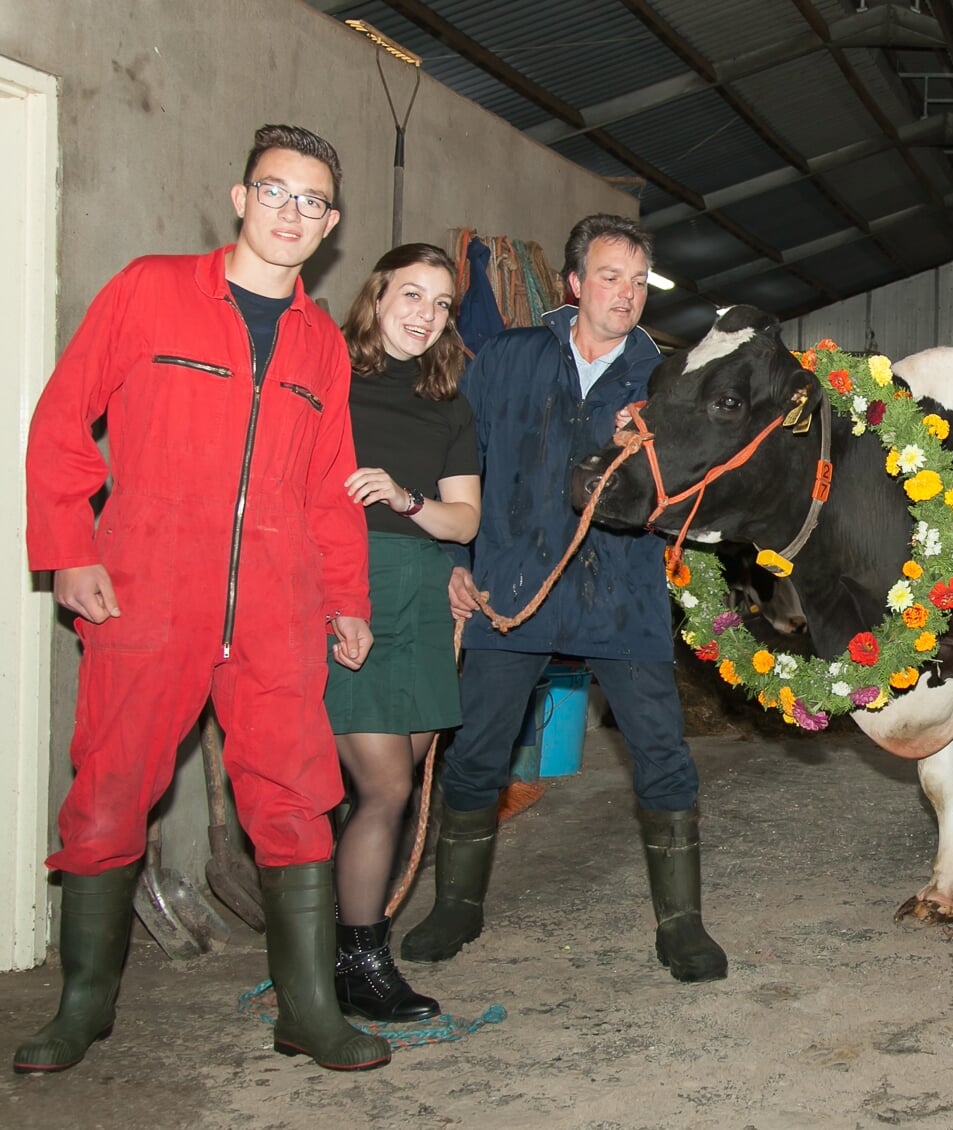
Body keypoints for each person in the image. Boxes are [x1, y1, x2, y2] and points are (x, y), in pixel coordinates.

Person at [16, 125, 388, 1073]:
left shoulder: (318, 344)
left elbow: (328, 486)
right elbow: (63, 418)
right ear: (239, 195)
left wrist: (346, 595)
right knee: (109, 791)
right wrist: (67, 549)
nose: (291, 213)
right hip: (147, 592)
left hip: (277, 607)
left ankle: (307, 1009)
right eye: (275, 192)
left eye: (312, 202)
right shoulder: (149, 290)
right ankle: (83, 1007)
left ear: (332, 223)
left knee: (300, 798)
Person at [400, 214, 726, 984]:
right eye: (612, 277)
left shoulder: (667, 381)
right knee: (476, 751)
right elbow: (460, 460)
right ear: (575, 284)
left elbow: (697, 493)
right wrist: (454, 558)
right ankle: (457, 905)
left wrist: (649, 448)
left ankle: (681, 923)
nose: (628, 295)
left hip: (624, 592)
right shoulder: (507, 359)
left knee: (662, 756)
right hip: (510, 584)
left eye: (641, 282)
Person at [327, 244, 481, 1022]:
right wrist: (328, 598)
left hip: (424, 591)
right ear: (377, 295)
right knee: (383, 788)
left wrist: (406, 498)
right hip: (352, 584)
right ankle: (359, 961)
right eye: (411, 295)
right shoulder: (330, 375)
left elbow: (465, 516)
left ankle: (342, 941)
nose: (425, 314)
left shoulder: (447, 399)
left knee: (400, 787)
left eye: (442, 302)